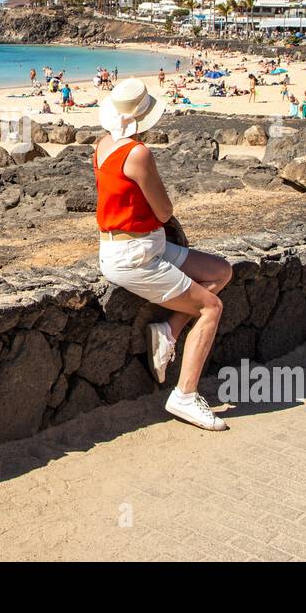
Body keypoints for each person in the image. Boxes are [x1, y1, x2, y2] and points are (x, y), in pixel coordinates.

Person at [94, 79, 233, 430]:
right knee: (210, 307)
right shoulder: (137, 153)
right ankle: (184, 396)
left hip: (137, 245)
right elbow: (164, 210)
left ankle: (169, 331)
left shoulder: (102, 145)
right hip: (133, 255)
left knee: (220, 272)